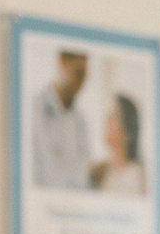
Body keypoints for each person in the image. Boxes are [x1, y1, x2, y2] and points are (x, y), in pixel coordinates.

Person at [31, 50, 90, 190]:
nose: (82, 83)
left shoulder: (81, 122)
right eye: (79, 74)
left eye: (85, 76)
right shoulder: (35, 110)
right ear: (63, 63)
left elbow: (82, 176)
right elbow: (43, 171)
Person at [91, 94, 146, 196]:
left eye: (114, 115)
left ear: (128, 128)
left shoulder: (138, 176)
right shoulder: (99, 173)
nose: (107, 121)